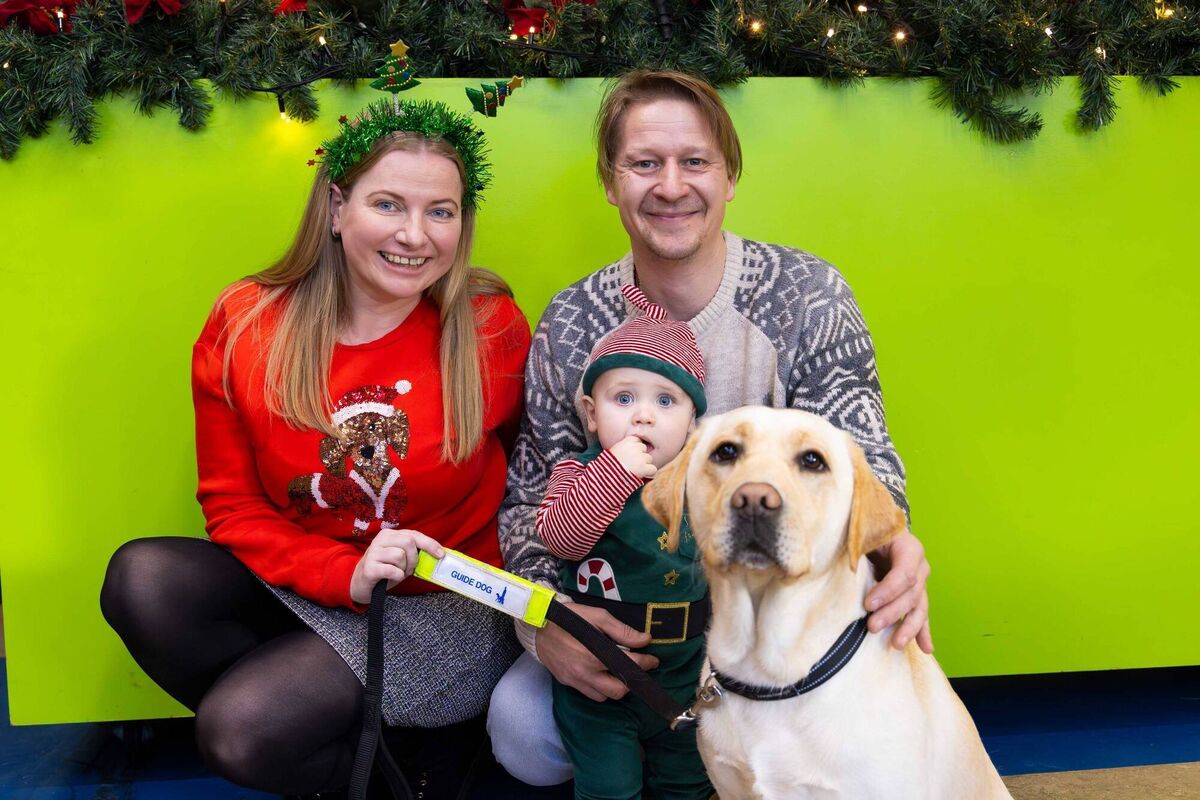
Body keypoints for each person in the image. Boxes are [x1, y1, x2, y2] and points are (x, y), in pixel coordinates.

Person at [488, 69, 934, 786]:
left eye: (695, 161)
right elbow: (530, 500)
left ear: (729, 177)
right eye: (643, 163)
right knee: (522, 729)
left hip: (779, 618)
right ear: (610, 181)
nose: (670, 186)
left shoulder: (805, 296)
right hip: (634, 629)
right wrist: (545, 625)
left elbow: (865, 455)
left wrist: (896, 542)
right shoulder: (574, 321)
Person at [100, 98, 531, 798]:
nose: (416, 236)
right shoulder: (247, 322)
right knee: (143, 579)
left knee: (240, 729)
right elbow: (233, 504)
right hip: (310, 580)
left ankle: (401, 771)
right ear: (336, 206)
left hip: (441, 605)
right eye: (388, 204)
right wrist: (344, 577)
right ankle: (384, 758)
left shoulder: (487, 327)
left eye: (441, 212)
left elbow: (528, 480)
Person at [538, 283, 711, 799]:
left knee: (687, 781)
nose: (643, 415)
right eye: (624, 398)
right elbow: (561, 538)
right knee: (607, 787)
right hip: (600, 674)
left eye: (665, 400)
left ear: (692, 422)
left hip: (685, 670)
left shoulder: (699, 480)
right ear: (591, 415)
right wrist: (614, 474)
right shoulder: (578, 471)